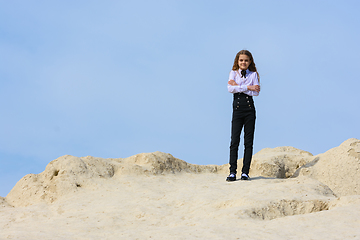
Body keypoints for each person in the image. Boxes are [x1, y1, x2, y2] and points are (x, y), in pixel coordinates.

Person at [226, 50, 260, 181]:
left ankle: (245, 172)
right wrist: (248, 87)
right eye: (241, 60)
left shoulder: (253, 74)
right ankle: (232, 172)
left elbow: (256, 92)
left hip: (249, 110)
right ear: (237, 61)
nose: (243, 62)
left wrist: (239, 86)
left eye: (246, 60)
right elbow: (230, 89)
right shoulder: (233, 73)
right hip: (237, 110)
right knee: (234, 141)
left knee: (248, 142)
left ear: (250, 61)